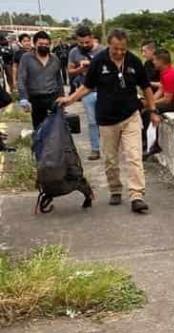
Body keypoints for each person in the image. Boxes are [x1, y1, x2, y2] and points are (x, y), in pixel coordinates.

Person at [57, 29, 161, 213]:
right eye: (115, 49)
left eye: (123, 49)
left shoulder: (134, 61)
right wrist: (70, 99)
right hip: (106, 119)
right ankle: (115, 189)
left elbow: (146, 88)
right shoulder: (99, 61)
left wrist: (153, 110)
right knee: (111, 160)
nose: (120, 52)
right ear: (108, 45)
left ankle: (137, 195)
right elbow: (87, 86)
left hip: (131, 116)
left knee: (134, 156)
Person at [142, 48, 174, 159]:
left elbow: (167, 100)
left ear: (161, 61)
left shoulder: (169, 75)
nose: (153, 62)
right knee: (147, 108)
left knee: (147, 112)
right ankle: (148, 142)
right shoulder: (166, 71)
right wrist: (150, 102)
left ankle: (153, 144)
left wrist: (150, 105)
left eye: (155, 60)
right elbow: (161, 88)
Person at [68, 26, 104, 160]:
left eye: (87, 42)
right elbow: (70, 72)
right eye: (81, 43)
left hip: (103, 90)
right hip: (86, 91)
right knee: (92, 122)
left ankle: (111, 148)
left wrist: (93, 64)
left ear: (92, 37)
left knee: (107, 121)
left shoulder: (103, 50)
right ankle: (95, 149)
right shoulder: (74, 52)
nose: (84, 45)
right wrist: (80, 68)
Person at [17, 31, 64, 130]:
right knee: (39, 128)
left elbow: (58, 79)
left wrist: (62, 96)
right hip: (35, 98)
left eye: (46, 44)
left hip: (52, 97)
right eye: (41, 44)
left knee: (55, 129)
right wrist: (23, 98)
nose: (44, 46)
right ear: (35, 44)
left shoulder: (55, 59)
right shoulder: (26, 58)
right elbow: (21, 79)